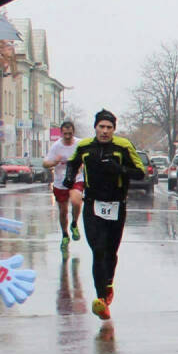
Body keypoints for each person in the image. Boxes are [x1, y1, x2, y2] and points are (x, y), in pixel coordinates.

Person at [63, 109, 144, 320]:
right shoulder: (84, 147)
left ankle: (108, 284)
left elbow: (141, 172)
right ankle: (101, 300)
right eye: (101, 127)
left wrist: (120, 170)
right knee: (98, 250)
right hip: (92, 204)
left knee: (110, 252)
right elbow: (72, 163)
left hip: (116, 205)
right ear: (95, 128)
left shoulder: (123, 146)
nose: (105, 131)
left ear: (113, 130)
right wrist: (69, 180)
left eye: (109, 127)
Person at [44, 120, 84, 252]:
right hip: (60, 182)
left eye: (70, 133)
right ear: (61, 133)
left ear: (73, 132)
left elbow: (86, 158)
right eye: (65, 133)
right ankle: (65, 234)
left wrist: (82, 164)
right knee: (63, 211)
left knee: (76, 201)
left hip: (76, 179)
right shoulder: (56, 146)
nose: (68, 135)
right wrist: (55, 162)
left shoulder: (79, 144)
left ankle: (74, 224)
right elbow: (45, 163)